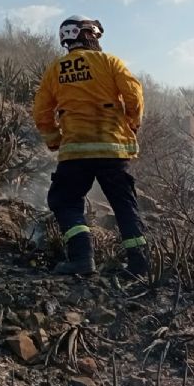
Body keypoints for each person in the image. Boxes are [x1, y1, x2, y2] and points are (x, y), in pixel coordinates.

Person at [32, 15, 148, 276]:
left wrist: (53, 139)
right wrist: (132, 121)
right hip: (113, 149)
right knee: (124, 204)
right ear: (86, 34)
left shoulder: (55, 70)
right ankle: (139, 263)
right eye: (94, 35)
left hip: (76, 151)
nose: (96, 40)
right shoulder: (109, 62)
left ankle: (82, 258)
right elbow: (133, 94)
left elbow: (41, 111)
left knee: (65, 201)